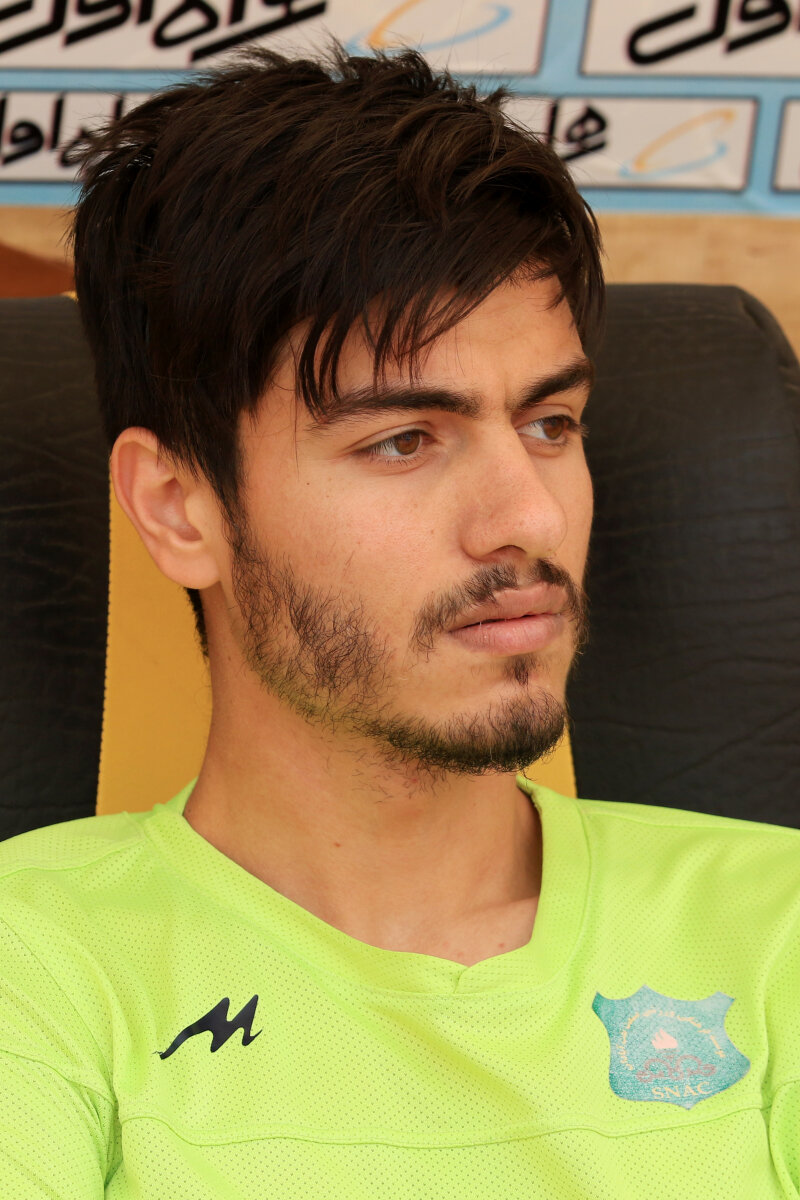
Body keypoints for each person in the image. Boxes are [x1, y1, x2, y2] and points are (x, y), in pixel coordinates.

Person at [1, 42, 798, 1200]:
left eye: (551, 425)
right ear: (178, 507)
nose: (527, 518)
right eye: (402, 440)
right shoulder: (34, 965)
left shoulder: (776, 926)